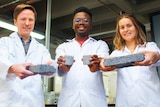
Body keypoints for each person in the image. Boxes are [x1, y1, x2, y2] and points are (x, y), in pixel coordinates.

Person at [0, 4, 55, 107]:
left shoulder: (41, 48)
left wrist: (50, 67)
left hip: (34, 102)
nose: (27, 23)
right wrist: (13, 67)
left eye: (31, 20)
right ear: (15, 21)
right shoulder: (4, 43)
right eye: (23, 19)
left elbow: (50, 67)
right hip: (10, 101)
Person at [100, 13, 160, 107]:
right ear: (119, 31)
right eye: (122, 27)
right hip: (126, 103)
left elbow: (156, 56)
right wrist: (104, 63)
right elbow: (105, 64)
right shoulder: (117, 53)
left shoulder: (150, 46)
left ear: (136, 27)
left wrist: (153, 56)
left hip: (150, 102)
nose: (126, 30)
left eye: (129, 26)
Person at [55, 7, 109, 107]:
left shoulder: (100, 45)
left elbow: (104, 65)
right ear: (72, 25)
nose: (81, 23)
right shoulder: (63, 47)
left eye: (85, 20)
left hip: (94, 101)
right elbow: (60, 70)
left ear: (91, 25)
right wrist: (63, 65)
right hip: (69, 102)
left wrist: (97, 63)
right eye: (77, 20)